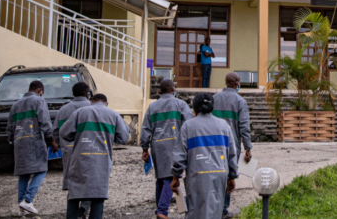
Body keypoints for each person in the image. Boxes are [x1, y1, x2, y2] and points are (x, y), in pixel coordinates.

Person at [60, 94, 131, 219]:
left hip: (79, 161)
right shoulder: (113, 115)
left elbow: (64, 133)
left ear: (91, 102)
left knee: (75, 194)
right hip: (101, 162)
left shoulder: (79, 113)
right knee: (98, 196)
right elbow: (124, 138)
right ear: (106, 103)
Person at [171, 93, 238, 219]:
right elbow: (232, 154)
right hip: (220, 174)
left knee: (196, 210)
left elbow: (180, 155)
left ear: (195, 109)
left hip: (198, 174)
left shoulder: (188, 126)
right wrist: (232, 176)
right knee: (216, 209)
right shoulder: (224, 125)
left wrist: (176, 176)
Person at [140, 80, 194, 219]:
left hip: (157, 146)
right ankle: (162, 211)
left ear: (160, 91)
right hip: (175, 145)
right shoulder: (180, 104)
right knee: (170, 178)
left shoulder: (152, 107)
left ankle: (159, 208)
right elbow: (190, 122)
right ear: (172, 90)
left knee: (160, 178)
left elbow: (146, 128)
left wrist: (144, 148)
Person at [7, 80, 57, 216]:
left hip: (19, 143)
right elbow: (45, 122)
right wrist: (52, 140)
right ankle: (28, 200)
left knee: (24, 174)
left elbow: (10, 128)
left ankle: (21, 208)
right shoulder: (39, 101)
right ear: (39, 90)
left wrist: (13, 141)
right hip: (34, 142)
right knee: (41, 170)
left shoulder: (15, 105)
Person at [212, 73, 252, 218]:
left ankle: (213, 207)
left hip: (212, 143)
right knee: (229, 175)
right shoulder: (240, 101)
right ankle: (223, 210)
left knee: (214, 173)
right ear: (236, 83)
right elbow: (244, 127)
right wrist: (248, 148)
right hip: (231, 145)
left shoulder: (214, 99)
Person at [53, 82, 92, 218]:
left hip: (68, 150)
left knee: (73, 182)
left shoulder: (63, 110)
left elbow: (56, 131)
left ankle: (73, 214)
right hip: (88, 149)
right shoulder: (91, 107)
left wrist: (61, 145)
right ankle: (84, 208)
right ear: (87, 94)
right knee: (89, 180)